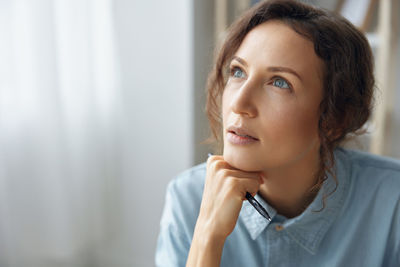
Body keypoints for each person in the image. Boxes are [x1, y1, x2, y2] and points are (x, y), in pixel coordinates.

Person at [155, 0, 400, 266]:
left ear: (335, 118)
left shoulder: (392, 201)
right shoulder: (188, 197)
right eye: (238, 72)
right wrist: (207, 235)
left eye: (280, 82)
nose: (239, 103)